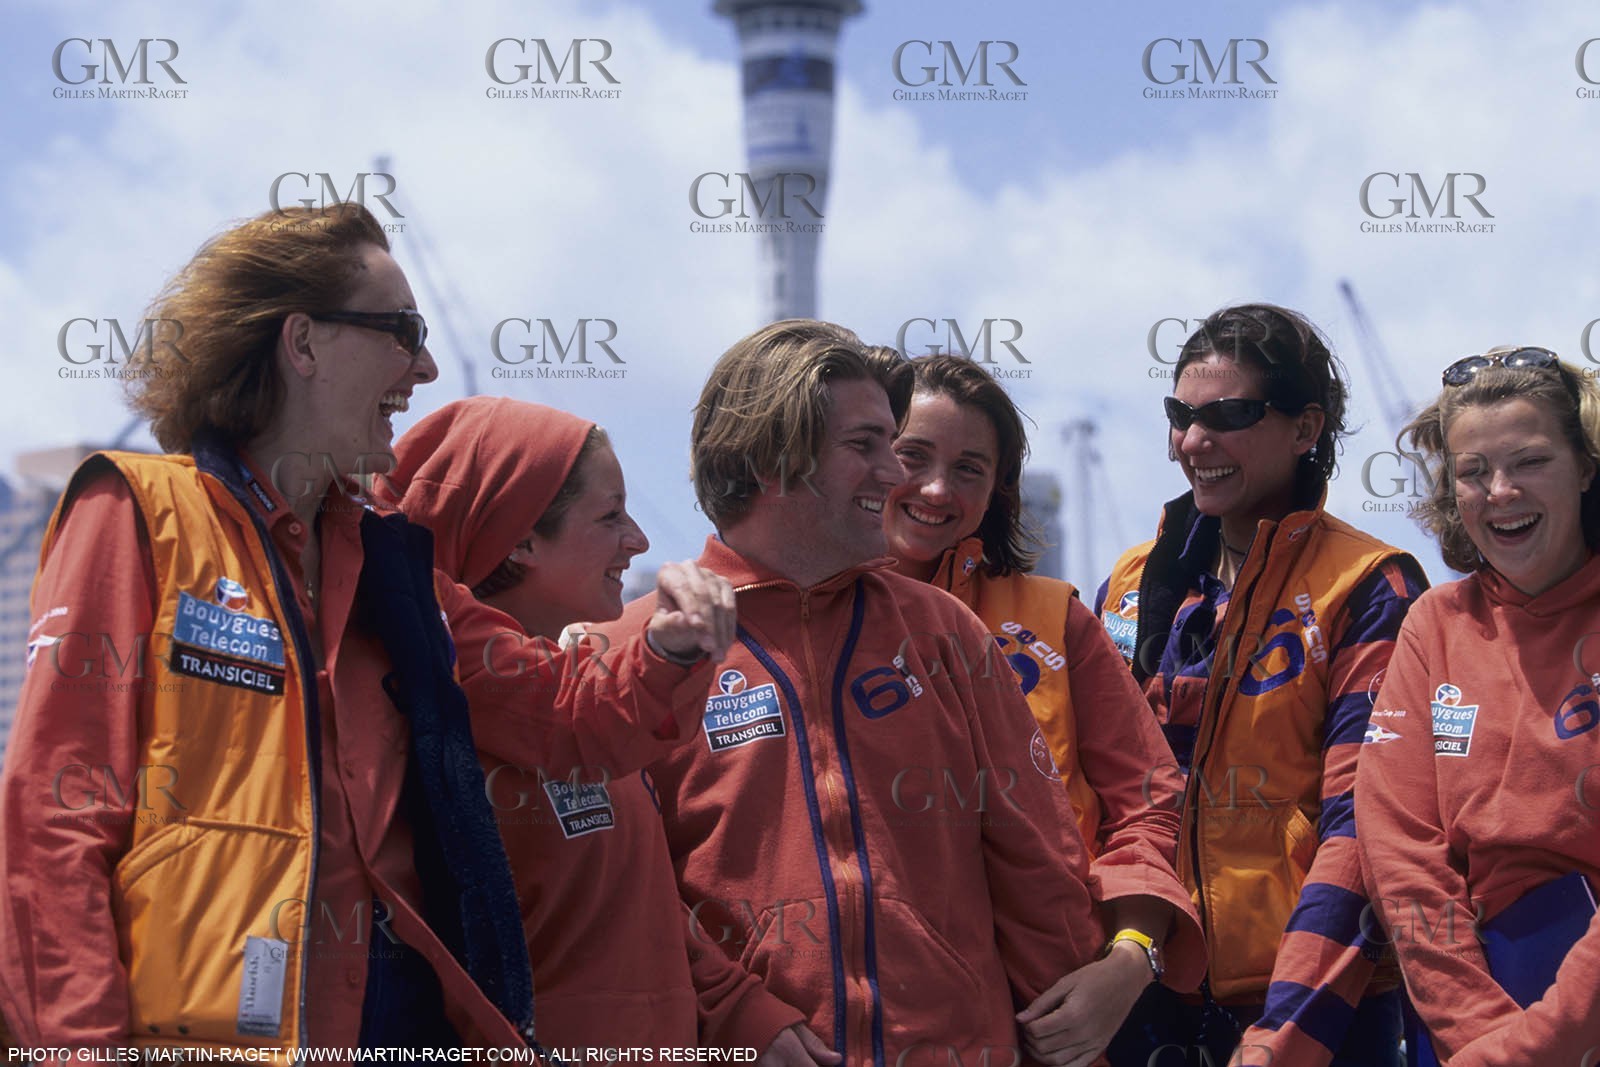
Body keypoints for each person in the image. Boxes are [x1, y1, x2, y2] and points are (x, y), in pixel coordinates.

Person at [0, 204, 734, 1053]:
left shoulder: (392, 567)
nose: (424, 366)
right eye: (400, 330)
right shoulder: (135, 512)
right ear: (303, 343)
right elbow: (55, 815)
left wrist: (668, 646)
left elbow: (566, 717)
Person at [584, 319, 1106, 1067]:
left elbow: (1039, 868)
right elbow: (612, 895)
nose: (894, 475)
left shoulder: (945, 632)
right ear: (774, 458)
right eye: (865, 446)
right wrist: (737, 1018)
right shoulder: (630, 654)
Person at [379, 396, 799, 1052]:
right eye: (609, 516)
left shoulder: (587, 699)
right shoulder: (439, 722)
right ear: (519, 539)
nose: (639, 539)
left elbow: (638, 914)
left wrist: (744, 1012)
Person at [1095, 305, 1429, 1066]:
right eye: (1179, 414)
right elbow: (1098, 797)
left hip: (1319, 1012)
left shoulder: (1370, 584)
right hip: (1143, 994)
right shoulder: (1132, 581)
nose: (1192, 441)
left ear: (1306, 427)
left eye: (1230, 415)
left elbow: (1362, 825)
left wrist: (1286, 1033)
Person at [876, 352, 1205, 1064]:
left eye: (970, 467)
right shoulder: (800, 626)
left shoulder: (1054, 618)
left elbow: (1150, 797)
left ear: (999, 488)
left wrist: (1129, 960)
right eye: (913, 455)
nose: (937, 488)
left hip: (1059, 1022)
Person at [1356, 347, 1600, 1066]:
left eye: (1529, 461)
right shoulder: (1434, 623)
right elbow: (1401, 853)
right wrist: (1481, 1036)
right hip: (1466, 1015)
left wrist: (1539, 1045)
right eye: (1472, 471)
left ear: (1585, 466)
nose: (1500, 490)